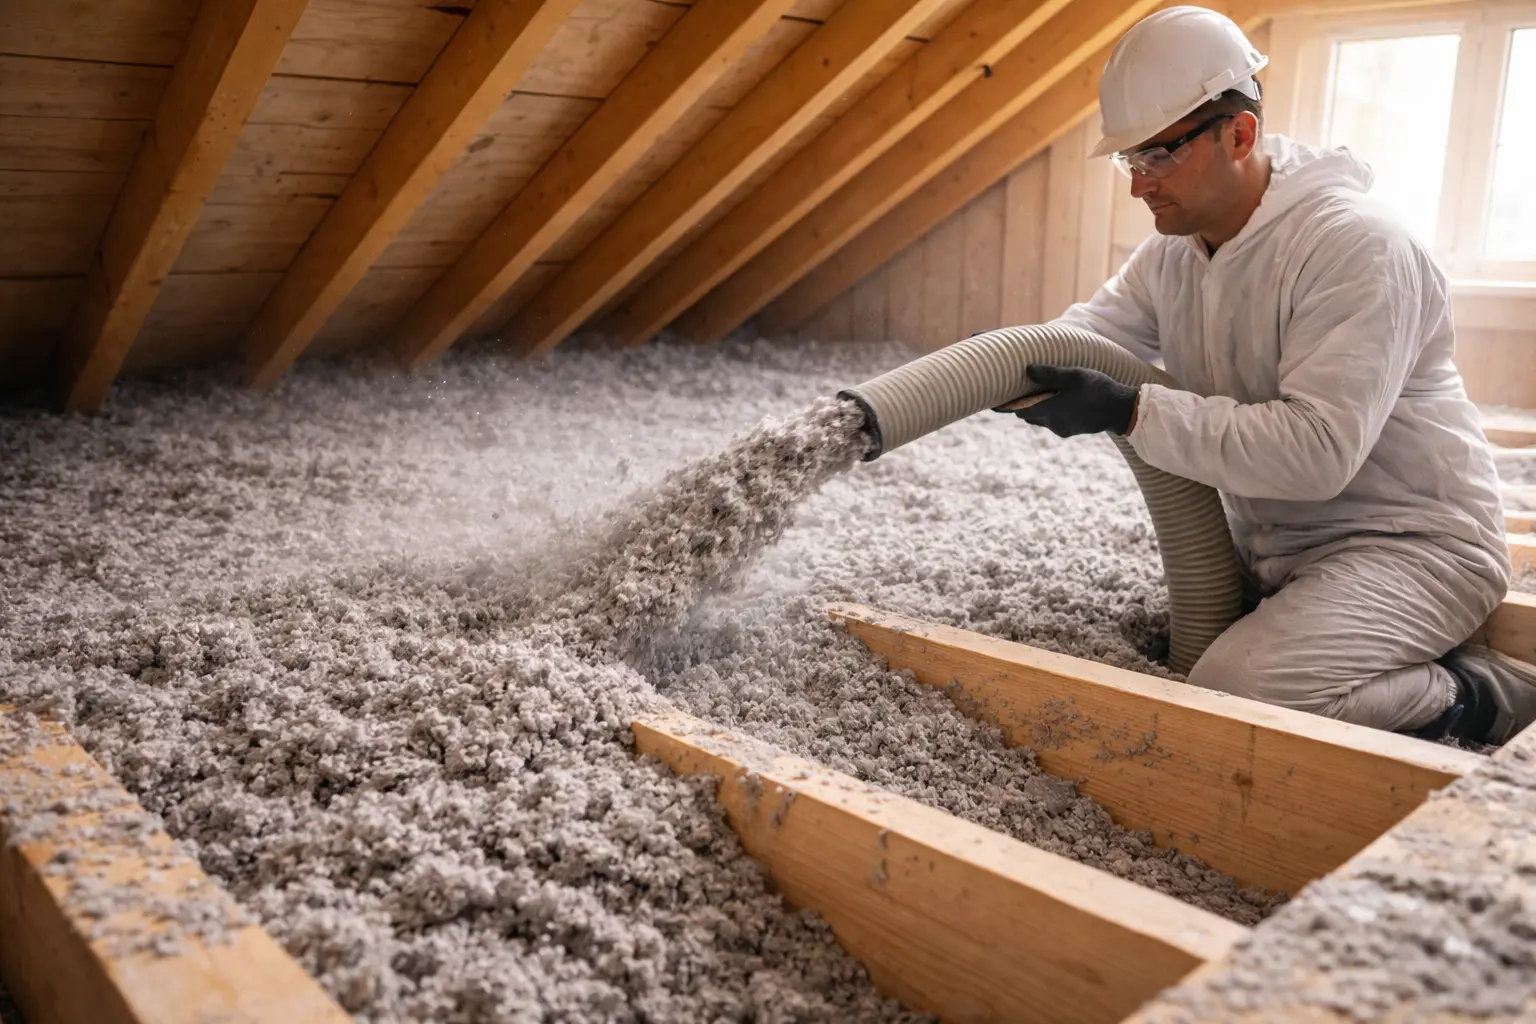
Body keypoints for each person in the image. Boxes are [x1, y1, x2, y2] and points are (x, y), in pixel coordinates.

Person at [1005, 5, 1536, 746]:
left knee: (1238, 691)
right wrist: (1000, 363)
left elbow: (1317, 451)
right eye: (1131, 160)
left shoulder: (1357, 247)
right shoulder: (1178, 251)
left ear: (1239, 133)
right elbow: (1087, 338)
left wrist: (1133, 412)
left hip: (1412, 545)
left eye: (1157, 156)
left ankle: (1476, 693)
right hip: (1279, 548)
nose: (1138, 186)